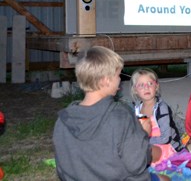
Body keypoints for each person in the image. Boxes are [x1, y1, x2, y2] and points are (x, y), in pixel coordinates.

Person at [53, 46, 170, 181]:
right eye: (118, 75)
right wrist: (142, 134)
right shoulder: (121, 115)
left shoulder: (63, 120)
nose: (120, 79)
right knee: (164, 179)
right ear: (106, 80)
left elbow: (62, 169)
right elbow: (137, 164)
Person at [131, 68, 182, 151]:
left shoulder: (161, 109)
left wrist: (143, 141)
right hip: (148, 143)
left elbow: (166, 139)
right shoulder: (137, 108)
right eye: (141, 85)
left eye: (150, 83)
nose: (146, 87)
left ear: (156, 86)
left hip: (167, 146)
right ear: (135, 90)